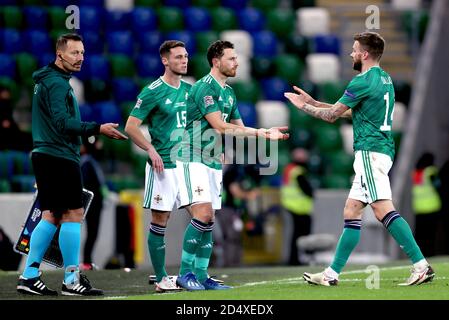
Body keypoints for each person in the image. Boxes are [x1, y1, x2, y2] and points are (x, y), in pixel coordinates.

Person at [285, 31, 435, 286]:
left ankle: (421, 265)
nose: (351, 53)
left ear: (364, 54)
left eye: (354, 49)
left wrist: (304, 107)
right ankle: (331, 275)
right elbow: (354, 113)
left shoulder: (361, 81)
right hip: (382, 151)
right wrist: (315, 101)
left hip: (370, 152)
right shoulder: (385, 79)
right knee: (352, 210)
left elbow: (333, 116)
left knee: (382, 209)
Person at [17, 33, 127, 296]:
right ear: (60, 54)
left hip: (47, 154)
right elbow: (62, 123)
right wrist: (97, 128)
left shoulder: (48, 80)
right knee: (73, 215)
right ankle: (70, 279)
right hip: (58, 155)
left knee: (51, 215)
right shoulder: (57, 83)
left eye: (83, 53)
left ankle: (30, 275)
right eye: (75, 53)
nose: (80, 58)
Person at [175, 40, 289, 291]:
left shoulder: (229, 92)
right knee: (203, 214)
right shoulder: (204, 88)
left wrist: (265, 133)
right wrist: (260, 132)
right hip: (192, 157)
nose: (237, 62)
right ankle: (184, 273)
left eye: (236, 58)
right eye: (231, 58)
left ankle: (202, 276)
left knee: (209, 219)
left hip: (214, 161)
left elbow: (237, 129)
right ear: (216, 62)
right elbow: (219, 125)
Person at [124, 40, 190, 293]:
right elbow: (131, 126)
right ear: (165, 60)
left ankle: (193, 273)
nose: (184, 61)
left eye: (185, 56)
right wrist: (150, 149)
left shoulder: (189, 90)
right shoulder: (152, 91)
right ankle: (162, 278)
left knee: (203, 216)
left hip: (187, 165)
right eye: (178, 57)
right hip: (163, 166)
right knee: (160, 219)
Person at [280, 147, 314, 265]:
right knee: (302, 235)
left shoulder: (289, 169)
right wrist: (311, 193)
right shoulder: (298, 171)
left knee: (295, 235)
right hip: (299, 207)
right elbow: (307, 189)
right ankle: (301, 258)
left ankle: (294, 258)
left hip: (290, 205)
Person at [80, 137, 107, 271]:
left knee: (93, 234)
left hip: (96, 204)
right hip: (92, 205)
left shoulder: (92, 161)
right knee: (91, 233)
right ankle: (86, 261)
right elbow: (86, 187)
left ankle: (88, 261)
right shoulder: (86, 162)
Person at [412, 152, 441, 257]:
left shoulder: (416, 173)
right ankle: (431, 254)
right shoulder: (430, 172)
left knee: (420, 236)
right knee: (431, 236)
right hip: (431, 208)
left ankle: (420, 256)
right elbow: (438, 185)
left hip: (419, 209)